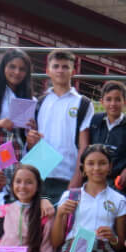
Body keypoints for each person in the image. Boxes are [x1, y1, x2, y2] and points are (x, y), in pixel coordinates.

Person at [27, 49, 95, 205]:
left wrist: (77, 178)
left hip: (68, 176)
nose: (60, 70)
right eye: (56, 66)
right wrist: (31, 141)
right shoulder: (40, 102)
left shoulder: (83, 103)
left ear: (73, 71)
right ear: (48, 71)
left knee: (65, 226)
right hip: (40, 175)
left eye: (65, 67)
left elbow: (84, 146)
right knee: (39, 226)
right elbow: (33, 141)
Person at [87, 80, 126, 184]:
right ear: (102, 101)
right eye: (108, 99)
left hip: (117, 181)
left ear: (125, 101)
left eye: (118, 100)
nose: (113, 104)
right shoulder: (94, 121)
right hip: (93, 176)